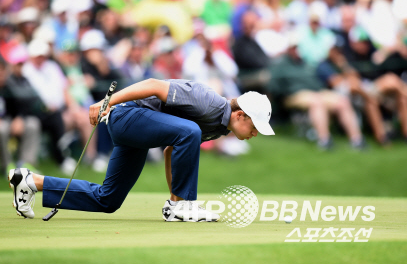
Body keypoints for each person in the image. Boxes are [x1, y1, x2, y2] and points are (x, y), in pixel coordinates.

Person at [8, 78, 274, 220]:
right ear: (240, 115)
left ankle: (30, 181)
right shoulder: (210, 102)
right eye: (255, 127)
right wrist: (106, 101)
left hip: (136, 131)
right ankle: (186, 207)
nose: (255, 134)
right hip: (126, 117)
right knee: (189, 131)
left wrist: (174, 201)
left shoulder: (220, 125)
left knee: (108, 200)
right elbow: (153, 85)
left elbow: (173, 150)